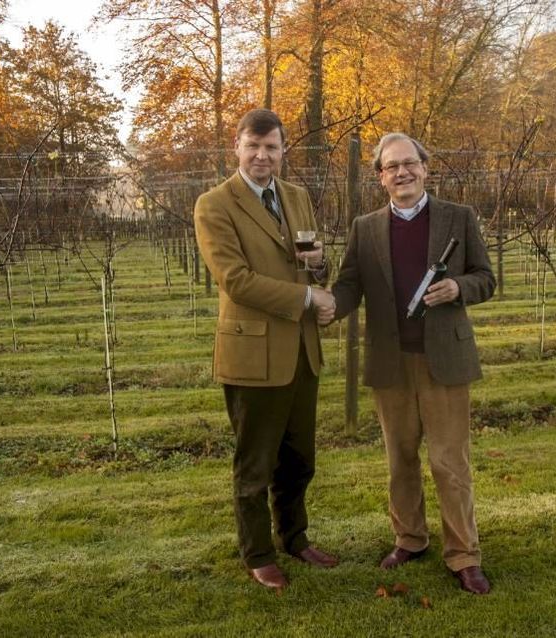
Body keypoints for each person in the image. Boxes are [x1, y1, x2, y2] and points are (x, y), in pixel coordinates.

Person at [326, 132, 496, 594]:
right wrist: (325, 306)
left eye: (409, 163)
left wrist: (460, 288)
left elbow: (486, 277)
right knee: (400, 460)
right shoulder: (365, 228)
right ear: (380, 177)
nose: (402, 172)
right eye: (391, 166)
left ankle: (463, 554)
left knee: (449, 462)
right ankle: (411, 538)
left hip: (444, 360)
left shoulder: (458, 219)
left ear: (425, 167)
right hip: (391, 362)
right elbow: (349, 285)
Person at [193, 108, 339, 589]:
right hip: (253, 355)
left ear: (283, 151)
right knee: (255, 462)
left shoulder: (296, 197)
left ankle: (295, 538)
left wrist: (320, 267)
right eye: (253, 146)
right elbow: (235, 281)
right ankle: (258, 552)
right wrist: (305, 297)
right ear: (236, 147)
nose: (262, 156)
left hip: (302, 351)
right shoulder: (214, 205)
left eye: (272, 147)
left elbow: (311, 263)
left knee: (300, 459)